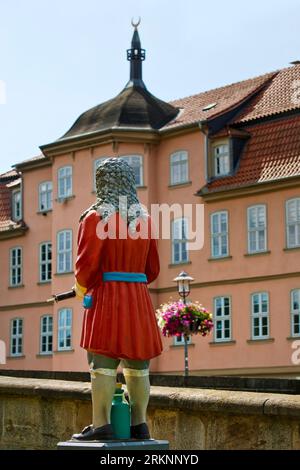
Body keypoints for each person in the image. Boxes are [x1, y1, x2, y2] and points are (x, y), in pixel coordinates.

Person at [72, 158, 162, 441]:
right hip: (137, 299)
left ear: (101, 182)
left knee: (102, 362)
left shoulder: (95, 217)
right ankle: (139, 424)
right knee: (138, 365)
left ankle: (101, 424)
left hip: (107, 297)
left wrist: (81, 287)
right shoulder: (144, 219)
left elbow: (86, 265)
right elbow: (153, 270)